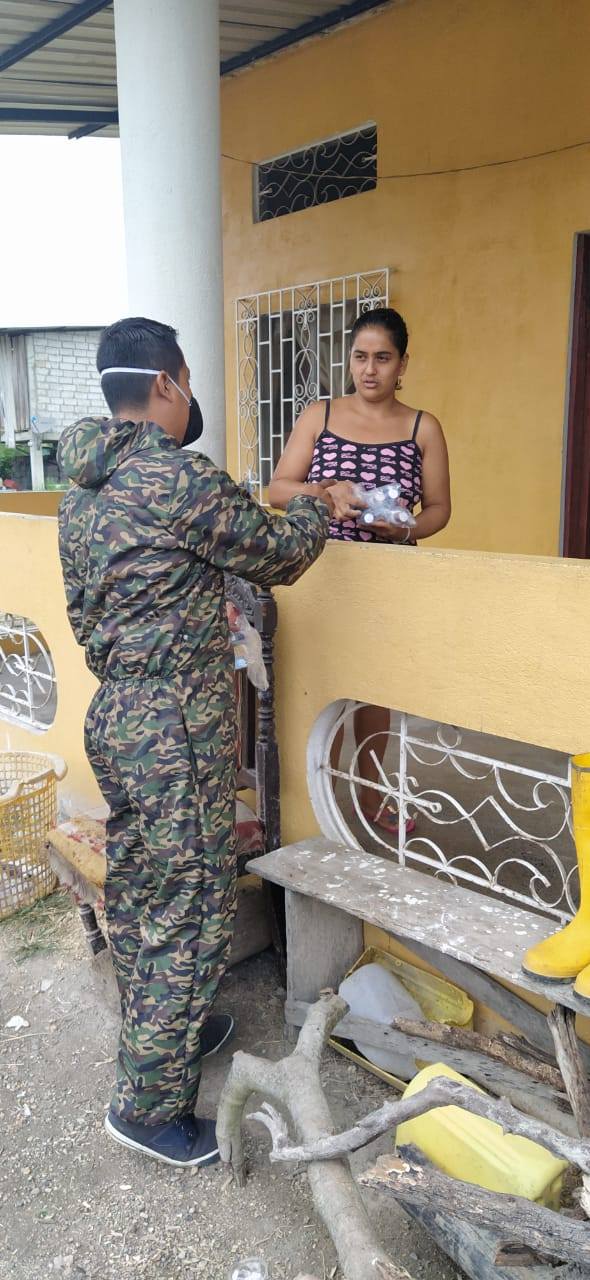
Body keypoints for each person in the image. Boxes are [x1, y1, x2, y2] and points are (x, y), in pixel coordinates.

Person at [57, 316, 332, 1169]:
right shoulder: (173, 477)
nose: (193, 394)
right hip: (174, 730)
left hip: (120, 716)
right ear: (167, 383)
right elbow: (280, 552)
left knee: (146, 890)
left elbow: (95, 608)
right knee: (192, 906)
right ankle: (147, 1108)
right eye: (189, 378)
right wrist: (318, 503)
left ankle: (168, 1032)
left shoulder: (82, 488)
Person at [268, 306, 450, 836]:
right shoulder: (320, 416)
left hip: (388, 582)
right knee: (319, 686)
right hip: (319, 576)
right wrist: (325, 493)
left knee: (374, 693)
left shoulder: (422, 427)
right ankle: (314, 804)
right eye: (360, 357)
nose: (370, 370)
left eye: (383, 358)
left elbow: (440, 509)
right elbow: (278, 489)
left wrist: (407, 530)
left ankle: (371, 796)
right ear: (349, 360)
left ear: (403, 364)